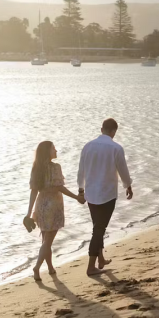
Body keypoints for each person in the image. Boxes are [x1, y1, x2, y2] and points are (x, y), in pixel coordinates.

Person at [78, 118, 133, 276]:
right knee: (99, 229)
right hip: (107, 194)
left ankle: (100, 260)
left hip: (91, 194)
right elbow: (123, 170)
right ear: (113, 131)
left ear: (101, 129)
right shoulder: (115, 148)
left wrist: (81, 190)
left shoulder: (87, 146)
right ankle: (90, 266)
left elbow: (81, 170)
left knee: (98, 226)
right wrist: (128, 186)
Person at [26, 140, 85, 281]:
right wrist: (77, 197)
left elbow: (33, 191)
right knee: (48, 242)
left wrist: (29, 214)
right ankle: (37, 267)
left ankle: (51, 267)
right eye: (54, 148)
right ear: (48, 152)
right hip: (53, 206)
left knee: (46, 240)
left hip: (41, 205)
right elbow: (60, 187)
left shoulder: (36, 168)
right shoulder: (55, 167)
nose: (56, 150)